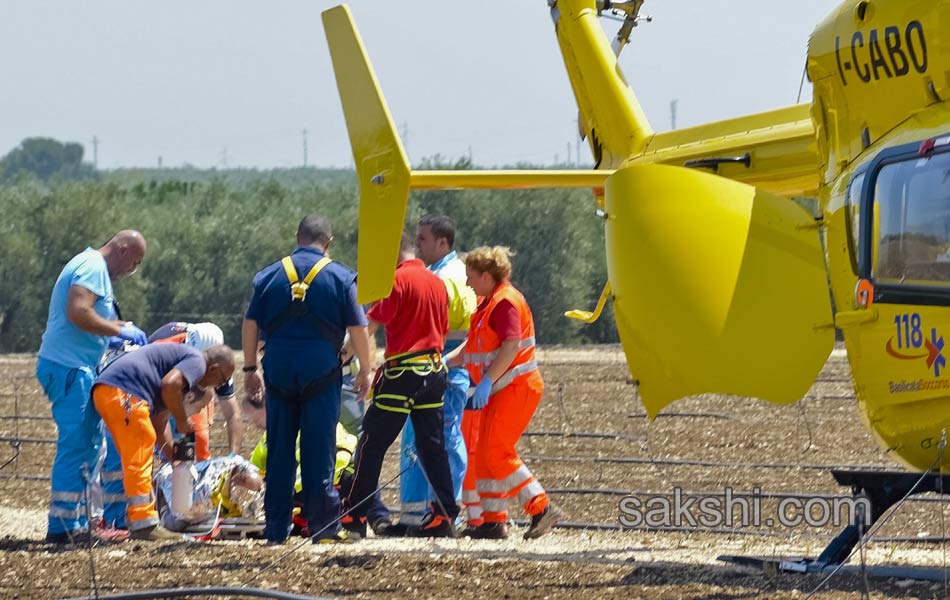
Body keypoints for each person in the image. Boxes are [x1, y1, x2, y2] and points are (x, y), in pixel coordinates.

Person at [242, 214, 372, 545]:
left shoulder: (269, 276)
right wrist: (366, 371)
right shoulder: (341, 277)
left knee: (280, 451)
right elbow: (358, 330)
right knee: (319, 451)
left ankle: (276, 529)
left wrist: (248, 369)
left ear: (297, 237)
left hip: (279, 373)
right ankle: (324, 527)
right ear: (328, 244)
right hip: (321, 375)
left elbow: (250, 325)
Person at [344, 232, 459, 539]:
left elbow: (369, 325)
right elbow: (443, 330)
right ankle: (445, 514)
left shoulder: (395, 282)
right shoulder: (437, 283)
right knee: (432, 446)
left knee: (372, 444)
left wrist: (347, 356)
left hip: (402, 373)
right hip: (434, 371)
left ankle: (354, 516)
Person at [36, 230, 147, 544]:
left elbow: (84, 321)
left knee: (88, 444)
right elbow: (77, 311)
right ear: (122, 249)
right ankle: (64, 527)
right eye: (134, 262)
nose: (132, 270)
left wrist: (107, 336)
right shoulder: (93, 267)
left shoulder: (90, 267)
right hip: (70, 367)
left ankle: (79, 522)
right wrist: (119, 328)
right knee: (78, 444)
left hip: (74, 364)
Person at [448, 246, 562, 540]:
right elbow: (475, 347)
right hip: (503, 388)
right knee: (485, 454)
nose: (468, 283)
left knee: (497, 452)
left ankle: (541, 508)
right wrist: (447, 362)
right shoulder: (490, 303)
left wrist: (486, 381)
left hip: (517, 387)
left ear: (487, 276)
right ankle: (492, 521)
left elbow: (512, 346)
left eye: (471, 277)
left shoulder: (505, 303)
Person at [388, 215, 476, 534]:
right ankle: (414, 516)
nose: (418, 244)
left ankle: (445, 511)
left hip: (444, 366)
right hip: (423, 364)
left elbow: (465, 329)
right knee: (417, 440)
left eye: (423, 239)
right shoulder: (432, 273)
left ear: (442, 243)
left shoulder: (453, 276)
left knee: (445, 437)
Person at [92, 342, 235, 540]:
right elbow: (170, 384)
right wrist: (184, 420)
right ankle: (143, 524)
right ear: (213, 369)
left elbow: (160, 426)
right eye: (220, 380)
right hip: (125, 392)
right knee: (140, 449)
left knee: (140, 448)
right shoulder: (198, 362)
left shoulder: (175, 373)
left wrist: (175, 459)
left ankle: (140, 520)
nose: (218, 386)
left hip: (110, 391)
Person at [149, 321, 244, 459]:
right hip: (157, 387)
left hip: (183, 389)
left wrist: (232, 458)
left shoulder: (219, 368)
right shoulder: (169, 350)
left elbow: (233, 414)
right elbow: (160, 415)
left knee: (198, 438)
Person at [154, 454, 263, 534]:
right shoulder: (209, 493)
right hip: (171, 482)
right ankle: (159, 509)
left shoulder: (246, 471)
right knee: (175, 523)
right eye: (245, 495)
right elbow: (183, 512)